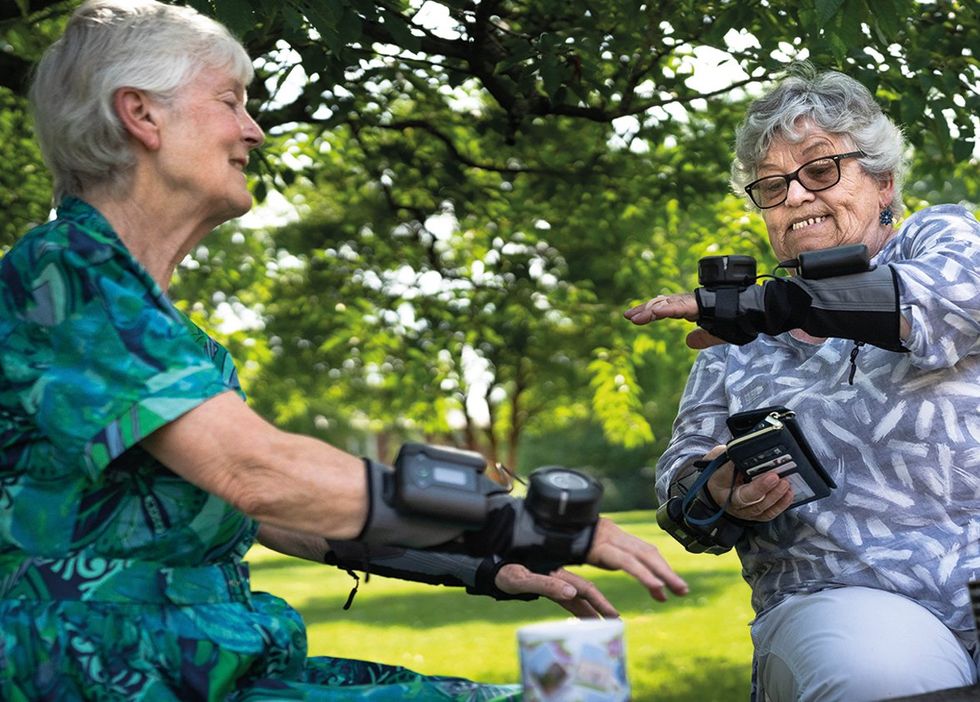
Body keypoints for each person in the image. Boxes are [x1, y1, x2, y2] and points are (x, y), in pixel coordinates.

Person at [0, 1, 690, 699]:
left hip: (202, 661)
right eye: (231, 102)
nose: (254, 131)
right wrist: (522, 523)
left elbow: (271, 514)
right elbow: (258, 473)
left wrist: (485, 562)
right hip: (102, 668)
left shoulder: (156, 328)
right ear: (141, 116)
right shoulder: (64, 276)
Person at [625, 64, 980, 702]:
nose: (795, 196)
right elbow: (680, 491)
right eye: (771, 186)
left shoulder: (937, 237)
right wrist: (720, 489)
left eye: (821, 172)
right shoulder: (731, 337)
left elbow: (954, 302)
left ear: (884, 182)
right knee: (881, 673)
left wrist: (767, 306)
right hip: (842, 599)